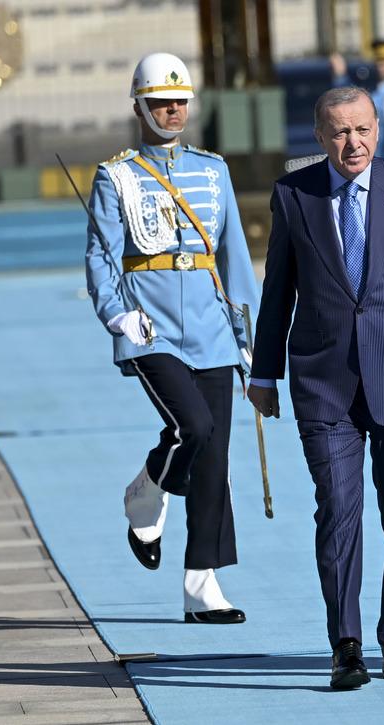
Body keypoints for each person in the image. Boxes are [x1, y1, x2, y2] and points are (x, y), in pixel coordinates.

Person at [246, 86, 384, 690]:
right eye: (340, 133)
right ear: (319, 138)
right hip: (324, 382)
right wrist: (264, 373)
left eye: (363, 130)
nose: (355, 143)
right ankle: (346, 645)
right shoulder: (295, 196)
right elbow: (278, 292)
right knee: (338, 511)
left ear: (378, 128)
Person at [85, 52, 259, 624]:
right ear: (138, 105)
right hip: (151, 325)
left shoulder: (213, 170)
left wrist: (247, 328)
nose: (173, 110)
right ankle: (147, 491)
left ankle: (201, 583)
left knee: (214, 457)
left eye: (180, 100)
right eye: (161, 101)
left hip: (210, 325)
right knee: (195, 428)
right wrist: (117, 315)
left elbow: (232, 252)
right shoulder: (117, 175)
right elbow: (102, 257)